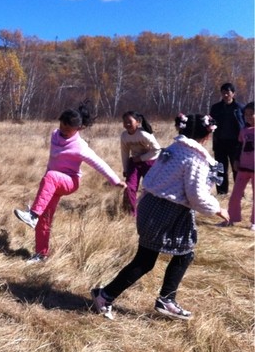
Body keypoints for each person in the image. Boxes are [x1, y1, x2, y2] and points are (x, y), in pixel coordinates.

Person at [91, 114, 229, 320]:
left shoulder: (174, 149)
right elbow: (197, 195)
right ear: (207, 136)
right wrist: (218, 209)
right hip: (165, 211)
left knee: (179, 254)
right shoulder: (194, 159)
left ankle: (159, 298)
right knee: (149, 260)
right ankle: (107, 296)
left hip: (153, 206)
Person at [13, 101, 126, 263]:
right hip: (51, 185)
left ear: (79, 129)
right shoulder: (54, 134)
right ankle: (41, 254)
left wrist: (115, 180)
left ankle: (32, 215)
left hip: (70, 182)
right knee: (45, 218)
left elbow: (99, 163)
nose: (64, 131)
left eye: (68, 130)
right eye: (62, 127)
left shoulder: (80, 146)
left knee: (51, 177)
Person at [120, 111, 161, 216]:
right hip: (134, 162)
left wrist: (142, 158)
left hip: (150, 161)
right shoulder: (124, 136)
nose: (127, 124)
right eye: (125, 122)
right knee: (129, 187)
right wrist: (125, 169)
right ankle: (130, 213)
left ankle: (155, 212)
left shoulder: (144, 134)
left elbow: (157, 149)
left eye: (129, 121)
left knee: (151, 188)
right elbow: (124, 152)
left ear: (137, 122)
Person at [221, 102, 254, 230]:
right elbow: (239, 146)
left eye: (252, 114)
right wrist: (236, 160)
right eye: (246, 114)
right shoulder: (243, 130)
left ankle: (254, 222)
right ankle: (232, 218)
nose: (249, 117)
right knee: (235, 195)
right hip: (243, 168)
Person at [209, 83, 245, 195]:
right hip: (220, 142)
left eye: (228, 92)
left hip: (236, 144)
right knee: (220, 169)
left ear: (233, 94)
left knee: (237, 169)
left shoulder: (240, 108)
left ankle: (240, 193)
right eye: (223, 92)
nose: (225, 95)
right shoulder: (216, 108)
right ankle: (222, 192)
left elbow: (246, 124)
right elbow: (210, 123)